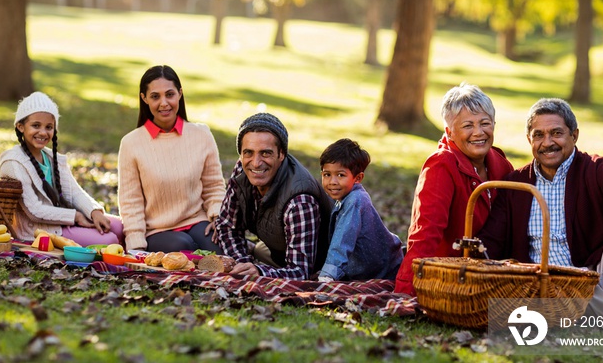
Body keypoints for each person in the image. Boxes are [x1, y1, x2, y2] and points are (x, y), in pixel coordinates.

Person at [477, 98, 603, 330]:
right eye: (538, 135)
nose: (548, 142)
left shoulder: (596, 169)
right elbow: (491, 240)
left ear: (574, 135)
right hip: (543, 288)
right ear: (529, 140)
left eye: (556, 133)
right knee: (576, 295)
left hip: (595, 278)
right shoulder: (515, 184)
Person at [394, 83, 514, 296]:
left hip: (491, 274)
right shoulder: (441, 166)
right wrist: (406, 290)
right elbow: (425, 232)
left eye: (485, 123)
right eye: (468, 126)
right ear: (450, 132)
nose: (478, 132)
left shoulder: (501, 163)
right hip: (448, 277)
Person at [118, 65, 225, 253]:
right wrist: (135, 245)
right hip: (158, 230)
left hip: (196, 220)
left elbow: (214, 186)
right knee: (183, 247)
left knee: (218, 246)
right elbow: (130, 201)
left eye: (170, 94)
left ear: (180, 94)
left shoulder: (202, 135)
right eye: (155, 96)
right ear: (144, 98)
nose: (164, 103)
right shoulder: (131, 143)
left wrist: (218, 217)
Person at [215, 113, 333, 280]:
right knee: (214, 240)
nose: (255, 163)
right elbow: (227, 226)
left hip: (316, 266)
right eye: (248, 153)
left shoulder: (300, 201)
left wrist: (259, 272)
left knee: (258, 253)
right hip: (278, 249)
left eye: (265, 153)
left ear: (281, 154)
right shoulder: (242, 170)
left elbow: (300, 272)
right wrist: (243, 263)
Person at [0, 92, 123, 246]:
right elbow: (34, 210)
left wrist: (94, 212)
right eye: (36, 125)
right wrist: (76, 217)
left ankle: (128, 256)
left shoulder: (53, 158)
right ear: (21, 126)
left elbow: (75, 192)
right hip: (40, 229)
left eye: (49, 127)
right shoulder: (13, 162)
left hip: (64, 220)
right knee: (109, 239)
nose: (43, 132)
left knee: (120, 227)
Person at [316, 139, 403, 282]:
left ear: (358, 178)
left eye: (340, 175)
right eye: (327, 174)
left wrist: (327, 275)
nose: (332, 181)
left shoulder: (355, 200)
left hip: (385, 269)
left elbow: (342, 240)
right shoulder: (340, 196)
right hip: (362, 267)